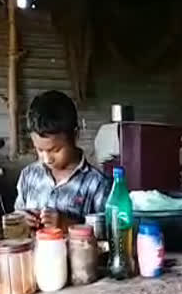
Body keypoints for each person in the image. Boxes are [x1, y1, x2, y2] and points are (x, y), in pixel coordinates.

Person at [15, 90, 112, 230]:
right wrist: (21, 219)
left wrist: (67, 224)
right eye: (40, 150)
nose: (47, 159)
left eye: (55, 150)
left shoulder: (98, 184)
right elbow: (17, 215)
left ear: (75, 135)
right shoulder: (28, 176)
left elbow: (107, 235)